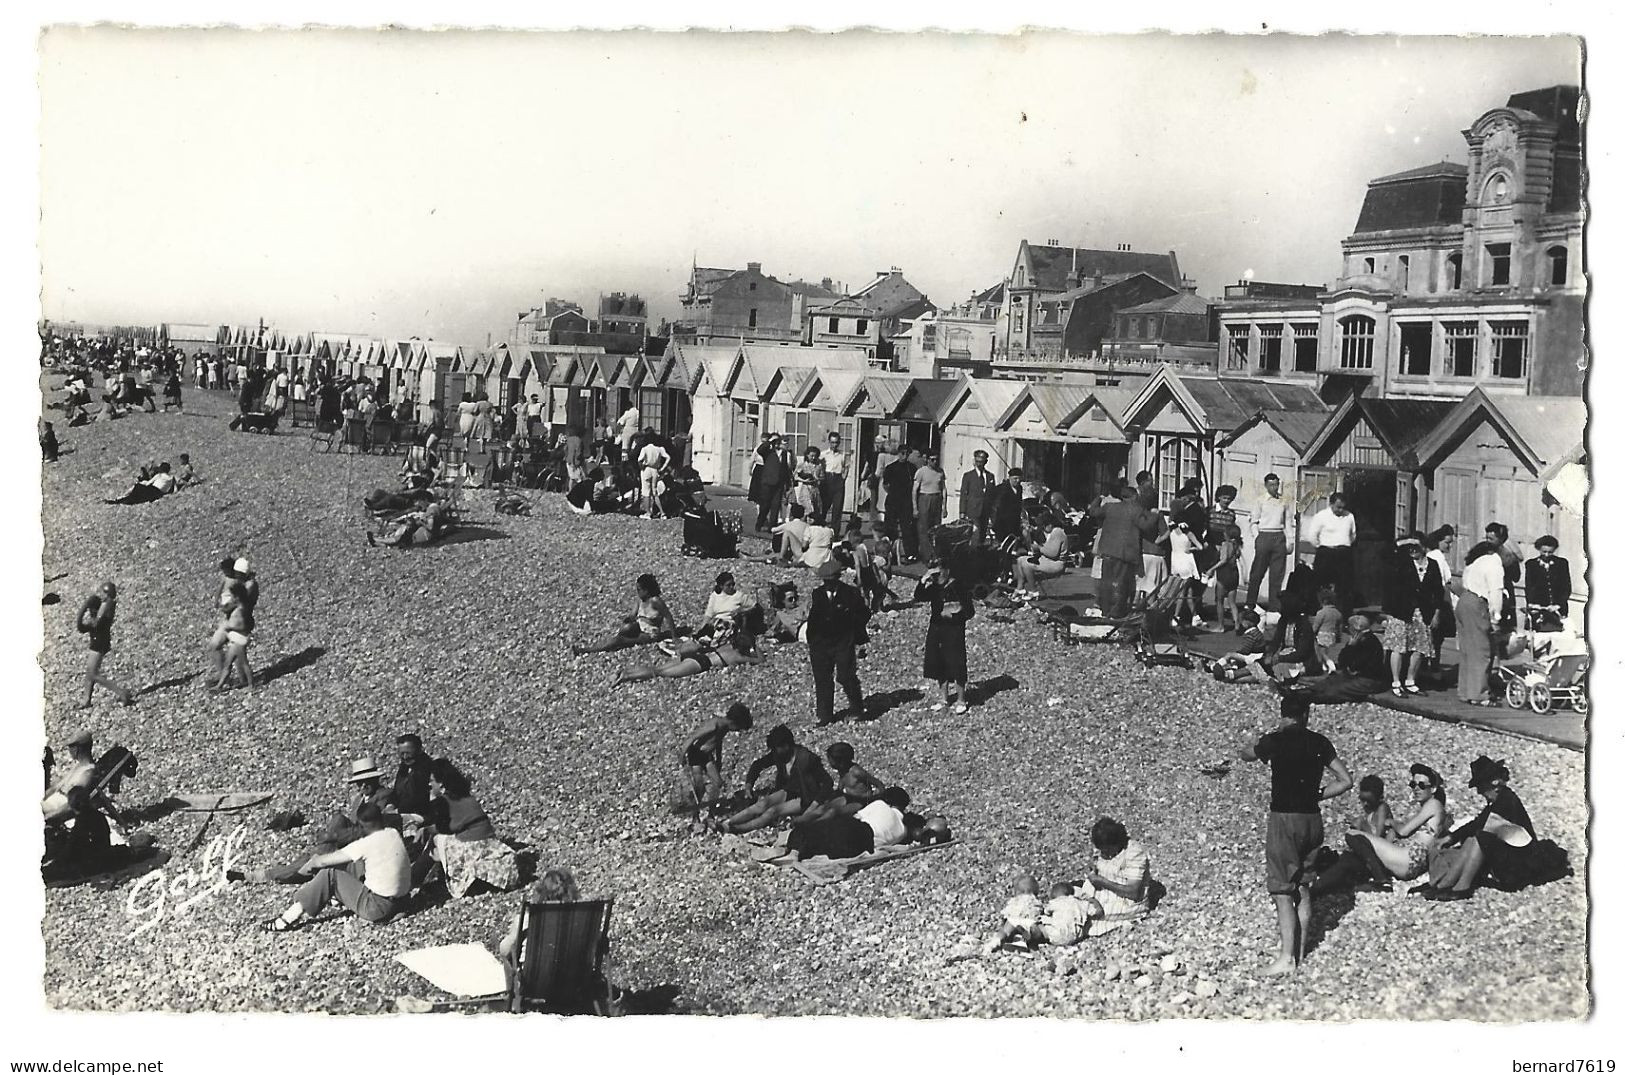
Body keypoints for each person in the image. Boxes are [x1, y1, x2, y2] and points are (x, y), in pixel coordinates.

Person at [1239, 695, 1353, 975]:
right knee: (1303, 886)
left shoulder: (1274, 741)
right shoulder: (1319, 742)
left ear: (1283, 714)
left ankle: (1286, 958)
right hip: (1312, 819)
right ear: (1306, 715)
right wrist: (1318, 794)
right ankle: (1300, 953)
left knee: (1281, 890)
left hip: (1284, 819)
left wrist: (1252, 741)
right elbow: (1346, 780)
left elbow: (1247, 755)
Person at [1422, 756, 1555, 901]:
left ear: (1494, 784)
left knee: (1480, 838)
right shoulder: (1502, 798)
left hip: (1518, 869)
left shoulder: (1506, 801)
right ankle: (1447, 883)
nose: (1479, 792)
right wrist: (1450, 838)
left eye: (1481, 787)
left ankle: (1461, 887)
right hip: (1513, 860)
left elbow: (1481, 826)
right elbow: (1477, 823)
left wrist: (1451, 838)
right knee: (1473, 839)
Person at [262, 803, 410, 932]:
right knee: (355, 864)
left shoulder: (366, 844)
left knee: (330, 873)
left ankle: (287, 919)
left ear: (362, 824)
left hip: (378, 908)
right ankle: (335, 896)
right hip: (402, 901)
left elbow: (321, 862)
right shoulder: (393, 833)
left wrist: (307, 868)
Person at [1342, 763, 1451, 889]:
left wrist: (1391, 822)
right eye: (1413, 784)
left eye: (1421, 785)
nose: (1416, 788)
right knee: (1354, 857)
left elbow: (1404, 832)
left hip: (1408, 861)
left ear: (1433, 789)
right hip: (1413, 862)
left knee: (1352, 834)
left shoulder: (1433, 804)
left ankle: (1381, 880)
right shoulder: (1435, 808)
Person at [419, 758, 517, 898]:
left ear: (441, 784)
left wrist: (432, 801)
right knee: (437, 844)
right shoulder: (463, 794)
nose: (429, 784)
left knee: (436, 842)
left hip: (472, 841)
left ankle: (420, 879)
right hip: (487, 839)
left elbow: (443, 828)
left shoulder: (443, 801)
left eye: (432, 781)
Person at [719, 724, 835, 834]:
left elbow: (827, 782)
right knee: (763, 804)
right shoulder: (780, 756)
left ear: (786, 746)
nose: (775, 752)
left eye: (777, 748)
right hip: (790, 790)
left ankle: (739, 829)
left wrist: (813, 806)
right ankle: (727, 823)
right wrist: (749, 785)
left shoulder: (807, 759)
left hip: (806, 796)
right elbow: (758, 765)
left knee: (773, 811)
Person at [806, 558, 869, 725]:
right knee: (822, 678)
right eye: (825, 581)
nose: (828, 584)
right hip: (820, 643)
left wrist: (854, 631)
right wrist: (812, 638)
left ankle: (857, 709)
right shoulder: (818, 594)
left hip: (843, 641)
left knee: (846, 676)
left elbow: (864, 614)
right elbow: (813, 618)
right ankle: (824, 715)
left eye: (831, 580)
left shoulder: (850, 594)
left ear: (837, 578)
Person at [1382, 534, 1446, 697]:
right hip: (1401, 611)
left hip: (1423, 612)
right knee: (1399, 647)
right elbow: (1388, 556)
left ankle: (1411, 680)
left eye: (1416, 547)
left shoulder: (1433, 564)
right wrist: (1405, 542)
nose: (1412, 550)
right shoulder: (1402, 562)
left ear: (1424, 547)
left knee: (1420, 647)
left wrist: (1437, 613)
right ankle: (1396, 681)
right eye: (1409, 547)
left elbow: (1438, 591)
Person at [1071, 816, 1154, 937]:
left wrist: (1103, 882)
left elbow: (1133, 892)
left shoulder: (1134, 853)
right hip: (1105, 892)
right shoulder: (1110, 851)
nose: (1104, 853)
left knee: (1082, 913)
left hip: (1126, 902)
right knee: (1068, 894)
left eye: (1106, 850)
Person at [1088, 479, 1156, 618]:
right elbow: (1146, 526)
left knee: (1106, 582)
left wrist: (1098, 498)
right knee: (1121, 584)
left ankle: (1106, 610)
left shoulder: (1110, 507)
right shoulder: (1136, 509)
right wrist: (1154, 514)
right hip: (1125, 553)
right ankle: (1117, 613)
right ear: (1134, 497)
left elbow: (1093, 512)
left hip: (1107, 550)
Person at [786, 786, 911, 861]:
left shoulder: (881, 805)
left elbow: (857, 816)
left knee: (811, 831)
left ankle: (794, 851)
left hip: (857, 828)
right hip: (863, 846)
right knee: (831, 846)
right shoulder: (903, 831)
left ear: (888, 800)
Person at [1287, 613, 1388, 704]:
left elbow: (1356, 665)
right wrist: (1350, 646)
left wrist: (1351, 648)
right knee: (1329, 681)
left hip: (1370, 680)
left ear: (1356, 630)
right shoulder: (1358, 641)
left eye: (1349, 628)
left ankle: (1304, 697)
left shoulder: (1369, 643)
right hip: (1357, 676)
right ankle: (1299, 693)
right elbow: (1342, 661)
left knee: (1337, 690)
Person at [917, 560, 973, 713]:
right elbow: (919, 596)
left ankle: (961, 698)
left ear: (947, 571)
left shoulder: (958, 586)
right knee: (938, 660)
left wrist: (954, 614)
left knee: (957, 662)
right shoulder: (934, 587)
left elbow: (969, 610)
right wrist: (923, 580)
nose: (938, 576)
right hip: (936, 627)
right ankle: (944, 698)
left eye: (939, 572)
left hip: (954, 628)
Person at [572, 574, 676, 654]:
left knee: (619, 640)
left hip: (650, 634)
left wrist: (674, 637)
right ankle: (610, 642)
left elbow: (668, 617)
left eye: (639, 590)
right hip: (639, 627)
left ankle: (587, 650)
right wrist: (627, 620)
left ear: (647, 591)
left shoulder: (656, 601)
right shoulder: (639, 600)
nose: (637, 592)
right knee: (626, 628)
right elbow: (633, 615)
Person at [497, 867, 582, 962]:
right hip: (575, 975)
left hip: (533, 975)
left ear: (541, 893)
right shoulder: (581, 921)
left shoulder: (528, 920)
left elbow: (505, 951)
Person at [1456, 541, 1504, 707]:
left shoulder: (1477, 562)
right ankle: (1479, 695)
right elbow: (1496, 593)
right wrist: (1496, 618)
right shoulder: (1495, 565)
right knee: (1482, 650)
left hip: (1465, 600)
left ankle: (1465, 691)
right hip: (1477, 603)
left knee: (1468, 650)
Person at [684, 702, 754, 808]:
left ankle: (711, 812)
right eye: (738, 728)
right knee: (699, 786)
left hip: (706, 756)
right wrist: (682, 756)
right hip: (696, 754)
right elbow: (692, 738)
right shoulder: (714, 724)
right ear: (733, 723)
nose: (737, 731)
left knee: (718, 783)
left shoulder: (724, 728)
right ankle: (694, 811)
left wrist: (719, 759)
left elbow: (718, 742)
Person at [76, 582, 133, 708]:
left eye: (102, 592)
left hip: (99, 641)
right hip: (98, 639)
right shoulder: (106, 604)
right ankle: (86, 700)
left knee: (93, 674)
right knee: (90, 671)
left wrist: (85, 610)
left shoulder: (107, 604)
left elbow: (96, 623)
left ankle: (121, 692)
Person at [1307, 493, 1358, 613]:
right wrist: (1322, 547)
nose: (1340, 510)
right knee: (1321, 584)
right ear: (1331, 505)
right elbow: (1312, 536)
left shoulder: (1349, 516)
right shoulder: (1321, 516)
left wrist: (1343, 544)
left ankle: (1343, 614)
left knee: (1345, 586)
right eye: (1338, 507)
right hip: (1326, 553)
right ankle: (1319, 612)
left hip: (1344, 554)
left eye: (1342, 507)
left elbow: (1353, 535)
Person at [1246, 473, 1292, 607]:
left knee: (1277, 574)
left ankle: (1274, 607)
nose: (1274, 487)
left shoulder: (1284, 501)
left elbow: (1288, 521)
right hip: (1264, 536)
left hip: (1279, 537)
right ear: (1266, 485)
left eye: (1276, 484)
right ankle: (1250, 603)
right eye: (1271, 485)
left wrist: (1290, 540)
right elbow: (1253, 521)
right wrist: (1257, 537)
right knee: (1257, 573)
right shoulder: (1260, 501)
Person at [1012, 513, 1068, 598]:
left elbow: (1053, 553)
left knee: (1027, 564)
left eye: (1043, 526)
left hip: (1056, 563)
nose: (1043, 529)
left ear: (1049, 525)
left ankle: (1033, 591)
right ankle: (1020, 588)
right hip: (1049, 560)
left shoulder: (1057, 532)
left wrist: (1038, 548)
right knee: (1020, 560)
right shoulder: (1054, 532)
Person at [1524, 535, 1572, 629]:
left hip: (1558, 609)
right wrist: (1532, 604)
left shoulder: (1562, 563)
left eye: (1550, 552)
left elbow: (1566, 587)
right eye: (1544, 552)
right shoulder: (1531, 564)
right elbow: (1529, 586)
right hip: (1538, 609)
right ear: (1539, 549)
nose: (1546, 555)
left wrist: (1558, 604)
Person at [1484, 523, 1523, 632]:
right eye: (1486, 538)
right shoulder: (1482, 552)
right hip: (1486, 592)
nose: (1487, 541)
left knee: (1505, 629)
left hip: (1504, 594)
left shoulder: (1508, 555)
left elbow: (1516, 577)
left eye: (1491, 539)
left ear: (1501, 539)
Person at [882, 448, 918, 561]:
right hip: (893, 501)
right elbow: (885, 485)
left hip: (906, 502)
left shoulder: (911, 468)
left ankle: (910, 554)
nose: (905, 456)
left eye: (907, 453)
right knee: (890, 528)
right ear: (898, 454)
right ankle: (889, 554)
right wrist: (893, 493)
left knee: (907, 528)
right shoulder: (891, 467)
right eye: (903, 453)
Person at [1168, 519, 1205, 626]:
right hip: (1186, 562)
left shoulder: (1172, 532)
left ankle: (1195, 617)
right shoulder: (1188, 533)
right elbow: (1200, 547)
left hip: (1175, 561)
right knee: (1183, 592)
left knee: (1188, 592)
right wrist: (1191, 549)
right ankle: (1176, 616)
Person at [1209, 523, 1243, 633]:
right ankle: (1237, 624)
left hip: (1224, 573)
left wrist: (1212, 569)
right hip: (1234, 573)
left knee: (1219, 601)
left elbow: (1223, 560)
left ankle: (1221, 626)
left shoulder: (1226, 544)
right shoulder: (1237, 545)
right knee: (1232, 602)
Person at [913, 450, 946, 560]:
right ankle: (926, 555)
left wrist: (944, 507)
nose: (935, 462)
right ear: (927, 460)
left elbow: (943, 489)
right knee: (923, 528)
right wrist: (915, 508)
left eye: (936, 459)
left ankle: (935, 554)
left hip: (936, 499)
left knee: (936, 528)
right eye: (932, 459)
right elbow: (914, 490)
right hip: (925, 498)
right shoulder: (921, 472)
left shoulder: (940, 472)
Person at [958, 449, 997, 541]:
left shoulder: (990, 476)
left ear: (985, 461)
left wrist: (993, 512)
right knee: (974, 533)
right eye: (977, 461)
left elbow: (993, 495)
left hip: (985, 511)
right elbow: (963, 494)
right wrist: (962, 511)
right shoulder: (968, 476)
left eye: (981, 461)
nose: (979, 463)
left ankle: (979, 552)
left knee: (982, 535)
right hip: (973, 510)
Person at [393, 734, 434, 819]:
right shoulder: (404, 767)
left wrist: (397, 811)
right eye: (402, 753)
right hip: (403, 812)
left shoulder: (426, 768)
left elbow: (419, 798)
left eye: (408, 753)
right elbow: (396, 791)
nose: (405, 757)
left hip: (422, 814)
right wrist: (390, 804)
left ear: (419, 750)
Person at [987, 468, 1026, 551]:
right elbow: (996, 507)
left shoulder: (1019, 489)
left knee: (1013, 546)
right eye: (1015, 478)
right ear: (1010, 478)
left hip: (1014, 523)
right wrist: (994, 523)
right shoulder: (1002, 489)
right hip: (1002, 523)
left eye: (1019, 478)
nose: (1017, 481)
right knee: (1002, 547)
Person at [105, 462, 176, 505]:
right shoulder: (171, 478)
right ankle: (121, 499)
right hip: (159, 493)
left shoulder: (159, 475)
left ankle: (119, 499)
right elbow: (172, 489)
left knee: (137, 488)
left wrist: (141, 482)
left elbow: (148, 483)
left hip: (152, 490)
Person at [637, 435, 671, 518]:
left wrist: (642, 467)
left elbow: (640, 460)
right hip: (655, 470)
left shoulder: (645, 449)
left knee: (646, 491)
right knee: (655, 492)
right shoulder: (659, 449)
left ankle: (648, 512)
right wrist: (663, 468)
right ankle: (662, 513)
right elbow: (668, 457)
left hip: (647, 469)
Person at [1311, 585, 1343, 671]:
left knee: (1321, 651)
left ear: (1323, 601)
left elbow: (1316, 625)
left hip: (1322, 634)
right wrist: (1339, 637)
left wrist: (1312, 632)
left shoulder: (1321, 613)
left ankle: (1329, 663)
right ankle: (1325, 666)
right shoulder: (1338, 613)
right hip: (1332, 635)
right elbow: (1339, 627)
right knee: (1328, 651)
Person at [821, 432, 848, 523]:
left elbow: (846, 467)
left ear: (839, 442)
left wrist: (844, 478)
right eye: (832, 442)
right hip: (827, 480)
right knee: (824, 506)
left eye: (836, 442)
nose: (834, 445)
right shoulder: (823, 454)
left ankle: (835, 533)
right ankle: (821, 529)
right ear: (829, 442)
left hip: (838, 480)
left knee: (837, 508)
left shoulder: (842, 454)